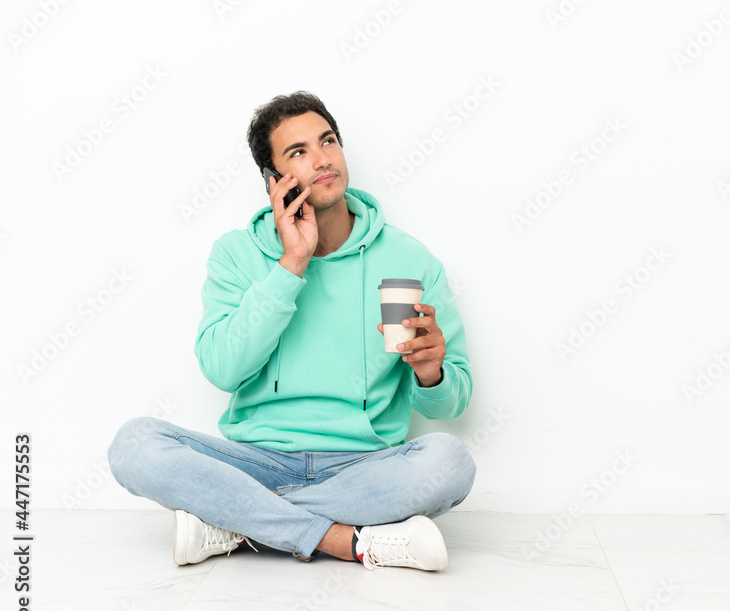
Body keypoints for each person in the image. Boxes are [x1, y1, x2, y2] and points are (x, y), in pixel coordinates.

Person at [108, 90, 476, 572]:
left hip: (365, 466)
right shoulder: (238, 254)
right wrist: (291, 264)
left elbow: (454, 403)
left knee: (450, 462)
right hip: (254, 464)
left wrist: (432, 374)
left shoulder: (408, 260)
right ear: (273, 180)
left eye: (328, 141)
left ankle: (237, 526)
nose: (322, 159)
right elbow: (222, 369)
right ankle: (348, 541)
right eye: (298, 152)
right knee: (134, 444)